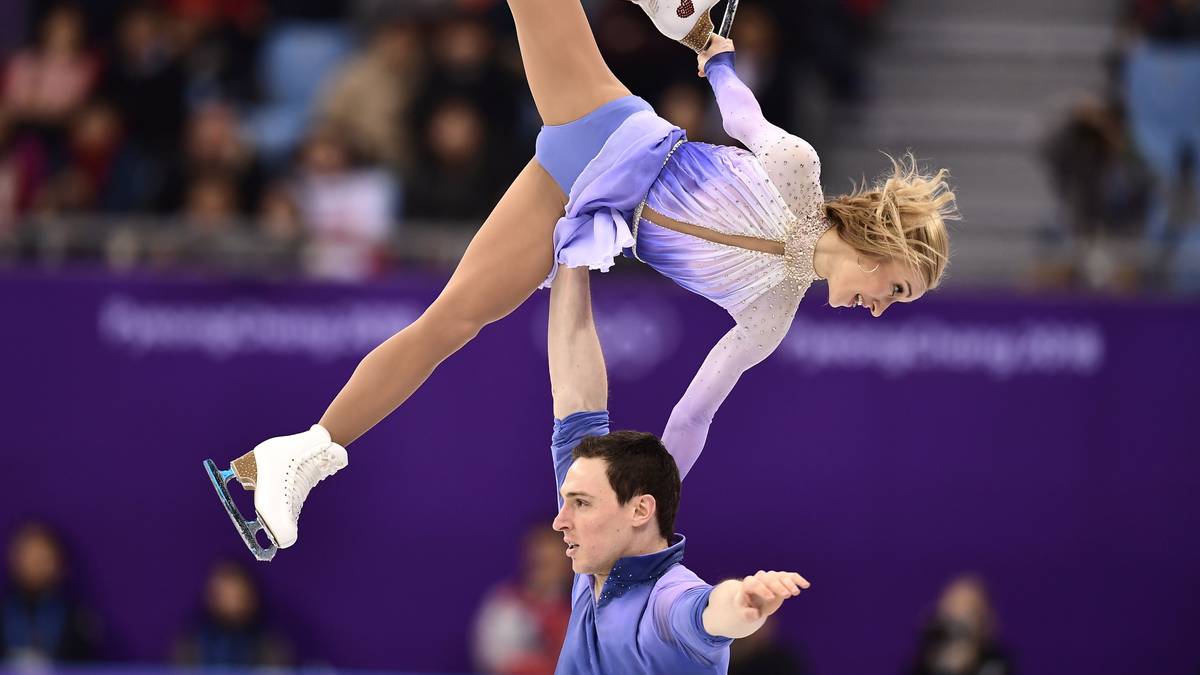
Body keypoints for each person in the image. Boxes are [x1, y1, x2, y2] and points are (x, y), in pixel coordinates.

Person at [203, 0, 957, 558]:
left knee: (451, 322)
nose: (883, 308)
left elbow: (693, 417)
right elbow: (745, 119)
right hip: (613, 133)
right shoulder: (800, 173)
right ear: (880, 244)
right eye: (897, 289)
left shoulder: (772, 311)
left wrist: (646, 506)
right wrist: (715, 55)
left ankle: (294, 457)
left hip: (588, 205)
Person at [548, 265, 811, 673]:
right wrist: (574, 255)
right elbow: (575, 394)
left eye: (580, 503)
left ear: (639, 510)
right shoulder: (599, 555)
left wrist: (744, 603)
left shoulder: (667, 600)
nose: (559, 521)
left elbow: (707, 612)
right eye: (568, 501)